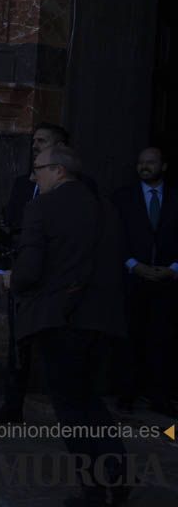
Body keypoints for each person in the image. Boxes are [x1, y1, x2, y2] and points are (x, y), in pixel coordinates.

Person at [12, 144, 129, 505]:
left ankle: (94, 489)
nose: (35, 176)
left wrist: (12, 280)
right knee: (91, 400)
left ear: (59, 171)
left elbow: (29, 271)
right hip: (100, 320)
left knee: (71, 407)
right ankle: (117, 477)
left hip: (59, 320)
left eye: (40, 169)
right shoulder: (104, 206)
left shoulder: (42, 207)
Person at [0, 121, 69, 424]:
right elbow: (6, 228)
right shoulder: (23, 185)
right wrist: (1, 270)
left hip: (53, 280)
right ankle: (13, 405)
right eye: (34, 140)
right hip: (20, 276)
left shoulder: (73, 189)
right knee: (17, 343)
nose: (35, 145)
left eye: (43, 141)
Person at [112, 146, 177, 414]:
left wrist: (174, 268)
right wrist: (133, 265)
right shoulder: (122, 198)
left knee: (163, 338)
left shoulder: (176, 198)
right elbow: (114, 236)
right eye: (141, 163)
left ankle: (159, 396)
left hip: (169, 281)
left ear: (163, 166)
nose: (144, 167)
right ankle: (127, 393)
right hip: (132, 279)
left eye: (151, 162)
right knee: (130, 337)